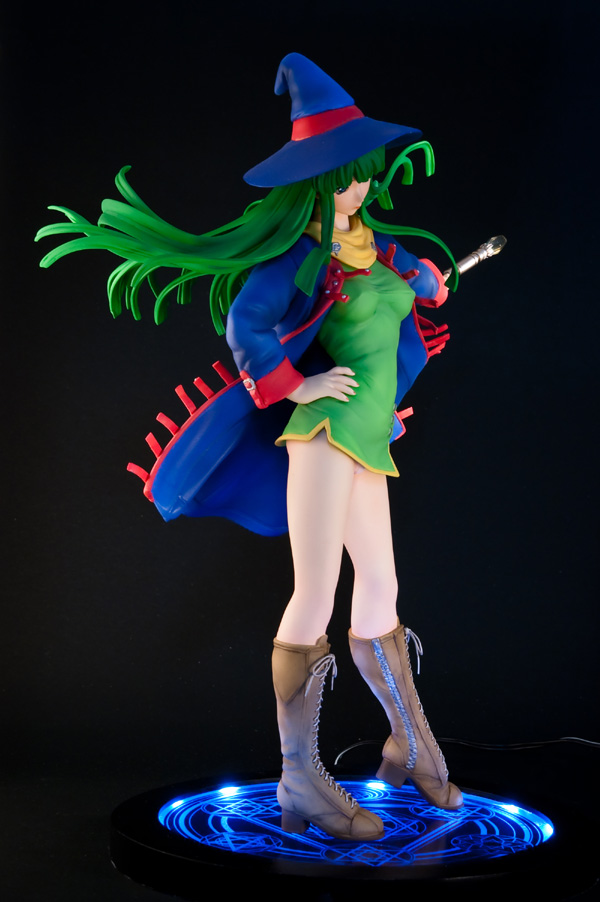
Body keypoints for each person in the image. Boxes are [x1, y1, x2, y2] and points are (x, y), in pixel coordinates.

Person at [37, 52, 464, 842]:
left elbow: (414, 288)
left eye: (364, 177)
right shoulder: (299, 255)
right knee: (316, 593)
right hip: (324, 435)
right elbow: (248, 325)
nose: (357, 192)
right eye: (343, 181)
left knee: (381, 587)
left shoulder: (374, 244)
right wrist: (297, 385)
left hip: (370, 435)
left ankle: (410, 745)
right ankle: (299, 779)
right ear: (313, 185)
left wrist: (430, 282)